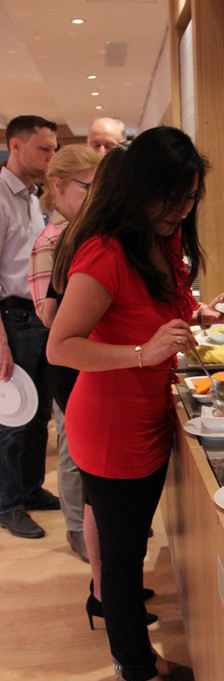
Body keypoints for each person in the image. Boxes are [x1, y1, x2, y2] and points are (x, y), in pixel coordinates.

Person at [47, 126, 224, 681]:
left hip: (146, 421)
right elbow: (60, 346)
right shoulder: (105, 252)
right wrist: (142, 353)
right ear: (139, 189)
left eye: (189, 199)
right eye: (169, 199)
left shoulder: (161, 238)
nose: (179, 211)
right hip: (110, 428)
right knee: (122, 564)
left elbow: (153, 313)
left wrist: (198, 316)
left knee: (130, 547)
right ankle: (134, 677)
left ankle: (141, 658)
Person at [49, 146, 157, 624]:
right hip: (86, 374)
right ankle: (106, 593)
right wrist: (138, 349)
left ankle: (106, 592)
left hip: (98, 373)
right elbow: (55, 327)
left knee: (104, 507)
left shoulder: (94, 238)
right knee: (97, 495)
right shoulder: (89, 244)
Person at [28, 143, 101, 560]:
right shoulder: (52, 240)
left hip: (91, 357)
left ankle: (96, 525)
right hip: (70, 361)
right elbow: (49, 316)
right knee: (74, 446)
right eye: (86, 186)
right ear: (58, 185)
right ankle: (77, 530)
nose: (94, 195)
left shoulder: (85, 233)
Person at [0, 115, 60, 540]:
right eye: (44, 149)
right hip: (13, 317)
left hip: (39, 315)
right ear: (16, 146)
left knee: (39, 414)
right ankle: (7, 504)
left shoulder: (35, 197)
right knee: (12, 416)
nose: (51, 157)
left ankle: (30, 488)